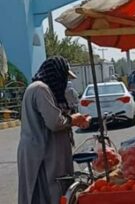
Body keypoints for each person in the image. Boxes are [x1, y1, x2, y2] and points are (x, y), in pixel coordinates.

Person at [18, 56, 90, 204]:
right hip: (42, 154)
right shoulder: (40, 89)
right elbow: (55, 122)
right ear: (56, 74)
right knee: (47, 193)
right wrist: (74, 119)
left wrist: (75, 120)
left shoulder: (42, 89)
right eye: (64, 77)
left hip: (45, 152)